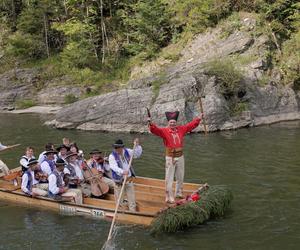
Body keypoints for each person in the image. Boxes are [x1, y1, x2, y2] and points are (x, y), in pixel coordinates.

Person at [148, 111, 203, 203]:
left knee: (180, 176)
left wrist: (199, 118)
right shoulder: (164, 131)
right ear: (168, 123)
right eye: (171, 122)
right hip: (170, 157)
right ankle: (169, 196)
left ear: (176, 123)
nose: (172, 124)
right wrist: (150, 123)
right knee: (169, 177)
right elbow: (155, 130)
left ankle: (178, 192)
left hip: (180, 156)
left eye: (174, 122)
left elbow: (190, 126)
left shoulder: (181, 129)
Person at [108, 138, 142, 212]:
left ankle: (133, 213)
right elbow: (113, 167)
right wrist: (122, 171)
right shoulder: (112, 156)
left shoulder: (127, 151)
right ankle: (120, 214)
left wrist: (137, 145)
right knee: (120, 201)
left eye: (118, 148)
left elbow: (137, 154)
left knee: (132, 200)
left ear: (122, 147)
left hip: (129, 180)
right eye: (115, 148)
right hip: (119, 182)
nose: (116, 149)